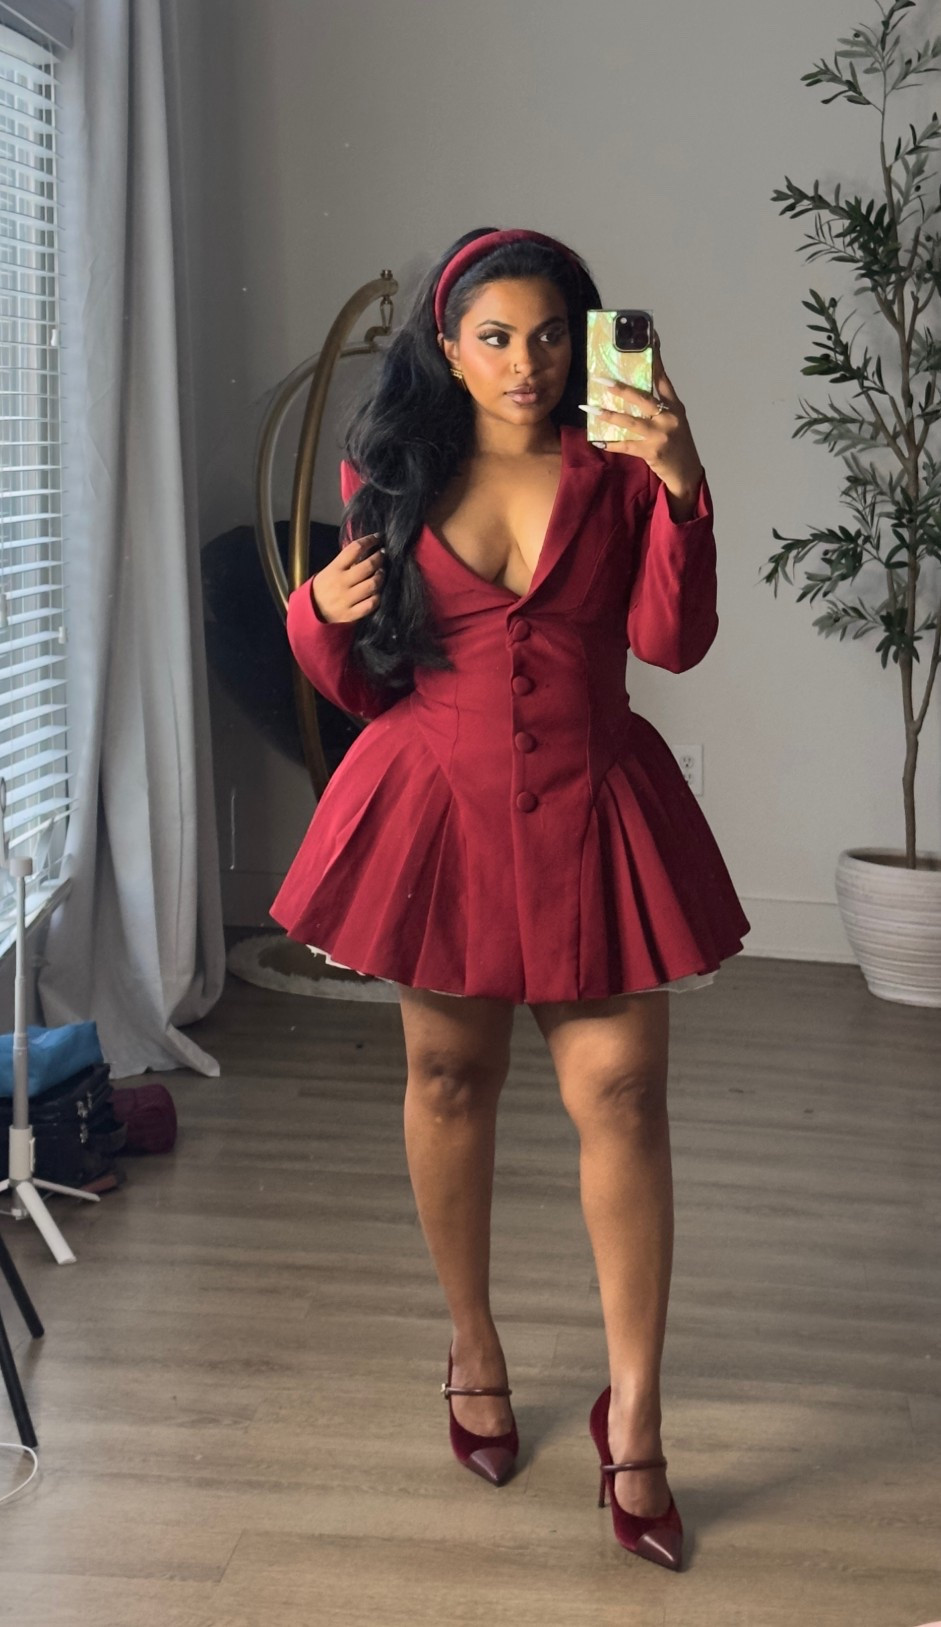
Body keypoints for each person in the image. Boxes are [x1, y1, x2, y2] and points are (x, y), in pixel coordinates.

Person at [269, 226, 751, 1572]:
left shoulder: (622, 467)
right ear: (447, 344)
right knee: (447, 1083)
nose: (525, 363)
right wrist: (317, 615)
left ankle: (636, 1418)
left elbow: (670, 642)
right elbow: (367, 679)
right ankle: (472, 1347)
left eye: (548, 336)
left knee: (626, 1101)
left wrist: (683, 485)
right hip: (440, 812)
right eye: (494, 337)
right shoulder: (390, 470)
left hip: (593, 805)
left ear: (584, 342)